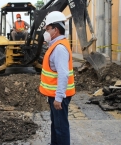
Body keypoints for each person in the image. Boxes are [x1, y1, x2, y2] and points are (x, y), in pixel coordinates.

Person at [39, 11, 75, 145]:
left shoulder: (59, 48)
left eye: (48, 29)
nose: (46, 32)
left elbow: (63, 74)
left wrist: (59, 97)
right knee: (56, 124)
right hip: (54, 94)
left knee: (60, 127)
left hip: (59, 96)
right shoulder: (55, 45)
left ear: (56, 29)